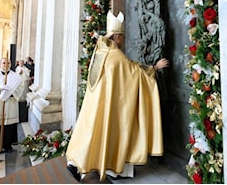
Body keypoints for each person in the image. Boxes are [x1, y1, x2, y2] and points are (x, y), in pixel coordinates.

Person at [66, 11, 169, 181]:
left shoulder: (100, 51)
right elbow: (134, 72)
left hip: (96, 102)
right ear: (117, 36)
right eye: (122, 36)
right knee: (112, 131)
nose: (123, 40)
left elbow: (127, 69)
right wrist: (154, 68)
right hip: (108, 104)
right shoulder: (116, 55)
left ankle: (76, 164)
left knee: (92, 131)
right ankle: (113, 169)